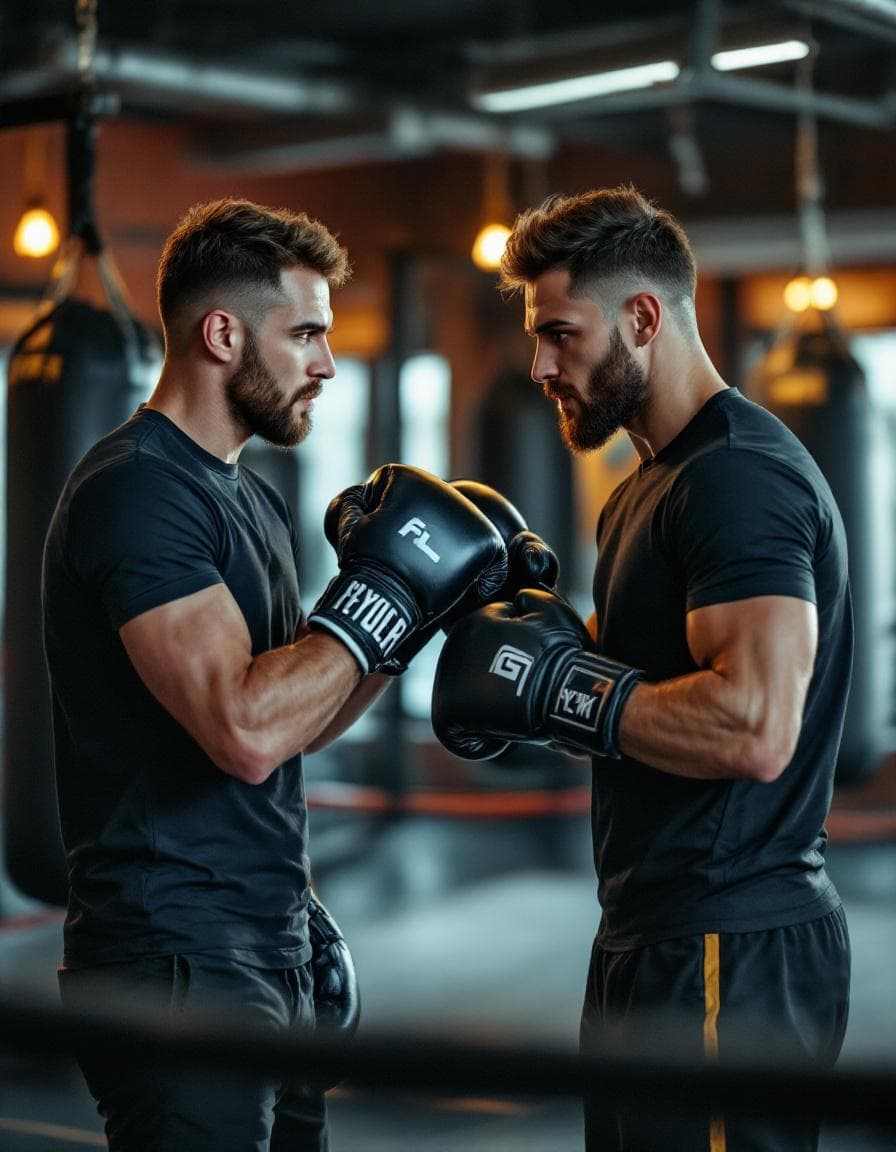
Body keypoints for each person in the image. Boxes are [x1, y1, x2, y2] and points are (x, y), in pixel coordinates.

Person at [42, 197, 526, 1152]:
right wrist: (385, 592)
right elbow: (247, 729)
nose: (328, 363)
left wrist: (416, 616)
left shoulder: (249, 498)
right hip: (173, 957)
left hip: (268, 940)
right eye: (304, 333)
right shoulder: (136, 490)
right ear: (221, 334)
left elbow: (305, 716)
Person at [432, 184, 852, 1151]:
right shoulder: (642, 490)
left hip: (729, 943)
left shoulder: (739, 476)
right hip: (651, 930)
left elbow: (754, 725)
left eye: (561, 335)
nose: (540, 364)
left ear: (644, 317)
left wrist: (558, 685)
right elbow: (644, 690)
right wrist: (529, 650)